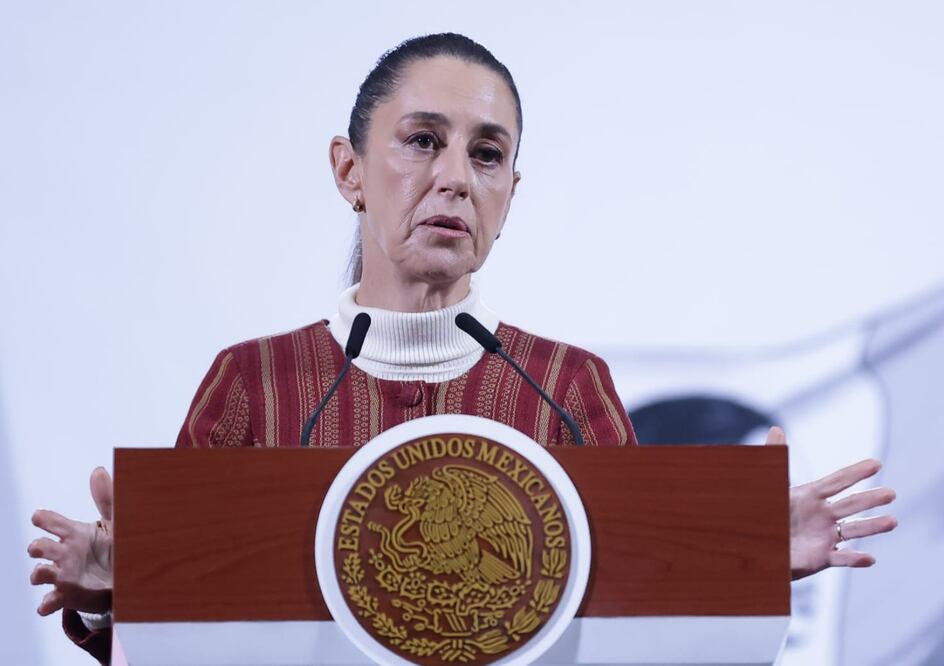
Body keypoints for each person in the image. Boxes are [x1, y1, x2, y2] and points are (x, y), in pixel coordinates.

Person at [26, 33, 897, 665]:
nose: (453, 177)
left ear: (508, 195)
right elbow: (191, 637)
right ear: (348, 170)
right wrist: (117, 594)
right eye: (421, 141)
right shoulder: (255, 382)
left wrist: (742, 567)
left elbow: (635, 629)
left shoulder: (566, 387)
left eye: (487, 155)